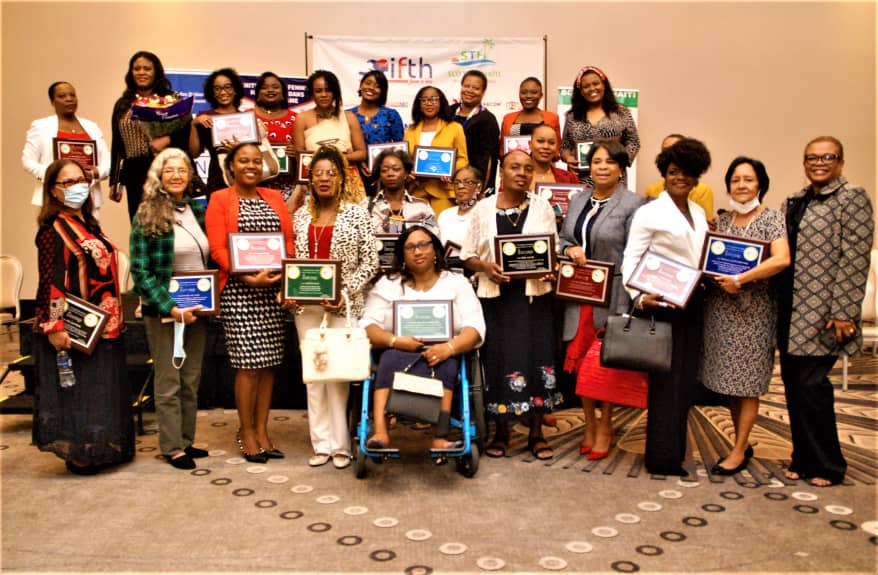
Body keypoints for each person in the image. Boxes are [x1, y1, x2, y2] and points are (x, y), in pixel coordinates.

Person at [776, 136, 874, 487]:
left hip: (825, 314)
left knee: (812, 386)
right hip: (790, 310)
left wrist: (845, 311)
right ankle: (802, 459)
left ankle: (829, 465)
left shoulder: (852, 199)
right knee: (794, 387)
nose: (819, 162)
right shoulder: (796, 201)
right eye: (812, 157)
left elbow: (855, 258)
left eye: (827, 156)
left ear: (841, 162)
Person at [33, 159, 134, 474]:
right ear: (53, 190)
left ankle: (101, 447)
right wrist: (54, 326)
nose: (77, 186)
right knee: (81, 389)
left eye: (80, 179)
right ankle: (80, 453)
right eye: (67, 182)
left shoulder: (90, 224)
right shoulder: (53, 230)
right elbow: (50, 280)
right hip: (75, 324)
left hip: (105, 324)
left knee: (101, 387)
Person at [621, 137, 711, 476]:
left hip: (694, 303)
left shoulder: (699, 211)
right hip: (662, 304)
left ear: (696, 177)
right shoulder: (649, 212)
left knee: (686, 380)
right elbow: (630, 258)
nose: (680, 178)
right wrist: (639, 296)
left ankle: (676, 450)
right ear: (664, 173)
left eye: (687, 173)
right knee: (666, 384)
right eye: (674, 172)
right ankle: (661, 457)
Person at [460, 150, 559, 459]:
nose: (522, 173)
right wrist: (487, 267)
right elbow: (467, 255)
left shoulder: (543, 207)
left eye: (528, 169)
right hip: (496, 300)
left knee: (536, 357)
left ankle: (536, 433)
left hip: (533, 299)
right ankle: (501, 432)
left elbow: (550, 253)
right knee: (499, 360)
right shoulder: (483, 209)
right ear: (502, 171)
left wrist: (549, 267)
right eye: (515, 167)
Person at [289, 146, 378, 469]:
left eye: (331, 172)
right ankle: (321, 444)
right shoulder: (300, 216)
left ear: (341, 177)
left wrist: (344, 291)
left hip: (344, 307)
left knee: (337, 377)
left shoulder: (356, 214)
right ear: (309, 178)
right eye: (318, 173)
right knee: (314, 376)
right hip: (307, 310)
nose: (324, 178)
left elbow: (371, 261)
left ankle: (341, 445)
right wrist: (290, 291)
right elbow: (293, 265)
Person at [205, 143, 295, 463]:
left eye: (257, 161)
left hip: (271, 291)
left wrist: (289, 280)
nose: (251, 166)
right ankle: (245, 431)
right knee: (248, 365)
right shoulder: (219, 199)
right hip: (239, 292)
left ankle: (263, 430)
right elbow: (218, 249)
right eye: (243, 160)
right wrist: (245, 277)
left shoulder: (273, 197)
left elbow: (288, 242)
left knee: (268, 364)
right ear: (231, 166)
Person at [701, 157, 790, 475]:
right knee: (729, 382)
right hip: (721, 313)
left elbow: (782, 259)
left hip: (754, 314)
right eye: (735, 180)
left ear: (760, 185)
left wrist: (742, 279)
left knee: (748, 384)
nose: (741, 186)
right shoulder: (722, 222)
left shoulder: (772, 219)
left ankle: (738, 450)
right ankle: (742, 440)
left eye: (748, 180)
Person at [360, 226, 485, 450]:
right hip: (399, 349)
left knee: (447, 365)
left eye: (423, 245)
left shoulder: (456, 283)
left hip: (443, 351)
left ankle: (440, 436)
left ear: (435, 250)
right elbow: (367, 324)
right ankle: (380, 433)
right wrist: (395, 341)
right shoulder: (389, 284)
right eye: (410, 247)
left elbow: (474, 327)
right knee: (388, 359)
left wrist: (449, 347)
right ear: (402, 256)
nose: (418, 251)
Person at [558, 140, 645, 460]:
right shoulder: (579, 199)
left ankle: (605, 425)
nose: (603, 166)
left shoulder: (634, 204)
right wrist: (569, 250)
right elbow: (563, 239)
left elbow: (637, 251)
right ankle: (588, 425)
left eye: (610, 161)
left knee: (605, 363)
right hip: (578, 293)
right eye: (596, 161)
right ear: (588, 166)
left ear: (621, 167)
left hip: (614, 295)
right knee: (581, 361)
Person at [129, 149, 211, 470]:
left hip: (198, 311)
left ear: (190, 176)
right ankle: (172, 446)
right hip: (163, 311)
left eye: (182, 170)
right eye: (169, 170)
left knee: (190, 379)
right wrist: (171, 307)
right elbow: (141, 270)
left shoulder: (197, 211)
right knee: (169, 381)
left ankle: (187, 440)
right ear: (158, 177)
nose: (176, 175)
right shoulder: (147, 213)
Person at [111, 51, 188, 221]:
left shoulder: (170, 100)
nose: (141, 72)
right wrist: (115, 182)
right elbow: (117, 144)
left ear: (156, 72)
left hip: (164, 169)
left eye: (147, 69)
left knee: (168, 220)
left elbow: (186, 132)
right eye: (137, 69)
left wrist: (167, 140)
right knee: (139, 221)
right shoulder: (123, 103)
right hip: (134, 172)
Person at [22, 81, 110, 216]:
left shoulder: (92, 127)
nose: (69, 99)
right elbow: (27, 161)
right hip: (54, 198)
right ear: (52, 101)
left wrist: (96, 173)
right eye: (62, 96)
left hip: (88, 198)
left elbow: (108, 162)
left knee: (88, 236)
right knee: (59, 236)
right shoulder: (41, 127)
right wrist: (54, 175)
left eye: (72, 95)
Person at [294, 70, 367, 204]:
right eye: (318, 90)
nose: (324, 95)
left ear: (335, 92)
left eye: (328, 90)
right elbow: (301, 156)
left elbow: (361, 153)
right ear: (312, 93)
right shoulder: (302, 118)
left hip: (348, 181)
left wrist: (337, 158)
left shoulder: (349, 117)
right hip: (317, 182)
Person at [560, 66, 640, 184]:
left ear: (604, 85)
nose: (592, 88)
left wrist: (618, 161)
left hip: (613, 178)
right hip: (583, 180)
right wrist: (568, 158)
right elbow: (565, 146)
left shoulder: (621, 112)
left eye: (596, 83)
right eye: (586, 86)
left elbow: (633, 142)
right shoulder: (572, 116)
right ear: (581, 91)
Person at [404, 86, 468, 214]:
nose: (429, 103)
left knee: (443, 232)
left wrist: (451, 172)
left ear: (441, 102)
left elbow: (463, 159)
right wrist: (407, 172)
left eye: (434, 99)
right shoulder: (410, 130)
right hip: (416, 191)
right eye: (424, 100)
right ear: (419, 104)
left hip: (443, 191)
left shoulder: (454, 128)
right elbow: (405, 159)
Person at [189, 68, 247, 199]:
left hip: (244, 179)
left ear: (235, 90)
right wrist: (194, 124)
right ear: (212, 92)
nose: (223, 92)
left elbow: (255, 153)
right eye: (217, 88)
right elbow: (194, 153)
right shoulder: (205, 117)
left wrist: (238, 150)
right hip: (216, 180)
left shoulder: (246, 119)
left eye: (228, 87)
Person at [348, 70, 405, 196]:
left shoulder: (391, 115)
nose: (371, 88)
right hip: (353, 172)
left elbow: (400, 149)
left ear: (383, 91)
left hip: (384, 175)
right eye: (368, 83)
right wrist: (359, 161)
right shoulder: (347, 115)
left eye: (377, 86)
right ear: (361, 85)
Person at [361, 148, 437, 235]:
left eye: (396, 169)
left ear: (406, 174)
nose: (390, 174)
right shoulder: (366, 205)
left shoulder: (422, 206)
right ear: (380, 175)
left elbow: (434, 236)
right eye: (384, 170)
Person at [451, 70, 500, 191]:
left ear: (483, 92)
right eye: (466, 86)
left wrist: (481, 190)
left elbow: (489, 160)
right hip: (445, 182)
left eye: (476, 88)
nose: (469, 90)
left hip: (471, 185)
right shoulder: (449, 111)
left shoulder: (488, 119)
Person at [644, 133, 714, 217]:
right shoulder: (652, 190)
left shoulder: (703, 191)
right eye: (666, 150)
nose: (680, 177)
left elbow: (707, 223)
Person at [253, 71, 297, 201]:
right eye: (264, 87)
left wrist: (296, 153)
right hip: (254, 185)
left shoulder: (296, 118)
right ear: (258, 94)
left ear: (283, 93)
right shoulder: (247, 117)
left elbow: (304, 152)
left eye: (275, 87)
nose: (270, 90)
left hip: (286, 187)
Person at [437, 165, 482, 262]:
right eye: (456, 183)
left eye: (468, 182)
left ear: (479, 187)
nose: (460, 186)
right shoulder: (445, 215)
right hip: (447, 271)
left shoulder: (485, 213)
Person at [500, 77, 562, 143]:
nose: (528, 96)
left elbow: (556, 147)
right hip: (513, 153)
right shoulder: (508, 118)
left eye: (534, 92)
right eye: (524, 92)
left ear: (541, 95)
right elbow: (503, 148)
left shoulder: (552, 118)